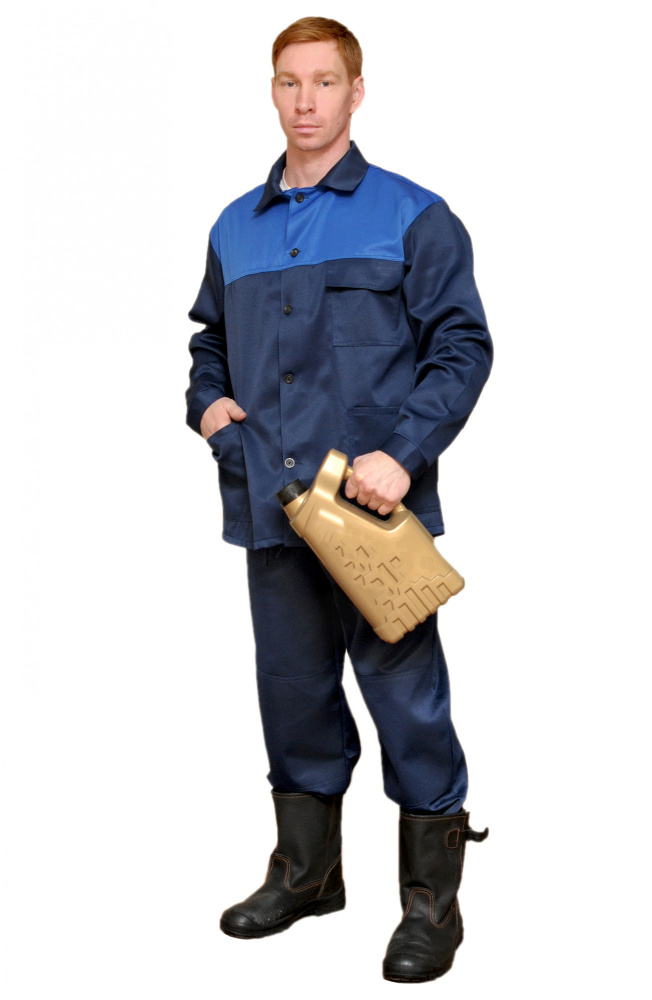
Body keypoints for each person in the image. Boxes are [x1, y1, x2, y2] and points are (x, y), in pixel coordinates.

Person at [186, 16, 492, 984]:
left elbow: (462, 346)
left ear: (357, 92)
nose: (306, 100)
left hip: (372, 516)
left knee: (407, 701)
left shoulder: (413, 215)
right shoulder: (233, 227)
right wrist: (208, 406)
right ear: (272, 91)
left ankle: (432, 901)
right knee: (292, 695)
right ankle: (307, 872)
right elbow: (207, 342)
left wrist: (403, 453)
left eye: (325, 82)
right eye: (290, 82)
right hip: (270, 505)